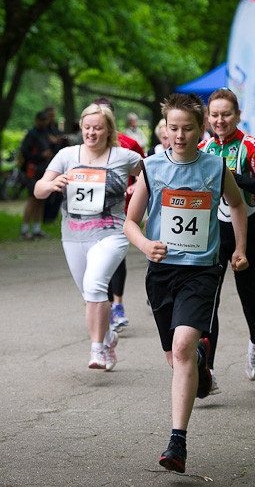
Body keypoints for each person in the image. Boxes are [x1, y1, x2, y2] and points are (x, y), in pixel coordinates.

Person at [124, 93, 249, 473]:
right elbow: (130, 221)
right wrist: (146, 243)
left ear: (202, 129)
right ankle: (200, 363)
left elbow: (239, 205)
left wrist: (240, 248)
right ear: (164, 128)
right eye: (172, 128)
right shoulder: (151, 167)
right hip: (161, 272)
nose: (178, 135)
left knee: (181, 348)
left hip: (202, 269)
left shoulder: (215, 167)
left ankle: (177, 441)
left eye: (187, 128)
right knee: (176, 357)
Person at [34, 102, 142, 370]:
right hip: (73, 234)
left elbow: (152, 178)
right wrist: (50, 184)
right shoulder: (67, 155)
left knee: (95, 286)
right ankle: (108, 337)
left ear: (108, 130)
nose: (91, 133)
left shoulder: (124, 157)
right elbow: (38, 189)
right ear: (81, 128)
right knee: (89, 294)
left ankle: (97, 350)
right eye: (87, 128)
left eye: (98, 128)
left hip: (112, 233)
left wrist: (136, 192)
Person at [199, 88, 255, 393]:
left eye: (226, 114)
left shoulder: (251, 146)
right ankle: (209, 371)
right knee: (210, 301)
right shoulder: (203, 148)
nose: (220, 120)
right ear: (207, 117)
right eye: (215, 115)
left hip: (248, 231)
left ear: (238, 115)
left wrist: (234, 179)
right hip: (214, 232)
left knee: (248, 296)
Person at [90, 97, 146, 334]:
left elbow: (146, 171)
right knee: (95, 258)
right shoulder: (86, 144)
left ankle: (118, 305)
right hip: (90, 213)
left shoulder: (129, 143)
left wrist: (135, 186)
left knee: (116, 257)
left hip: (119, 211)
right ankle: (102, 304)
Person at [20, 111, 54, 240]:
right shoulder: (31, 134)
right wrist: (41, 156)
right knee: (32, 199)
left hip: (43, 170)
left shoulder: (46, 133)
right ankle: (24, 230)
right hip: (32, 171)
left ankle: (36, 229)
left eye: (46, 120)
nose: (44, 123)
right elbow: (24, 152)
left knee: (41, 199)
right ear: (37, 120)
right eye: (42, 120)